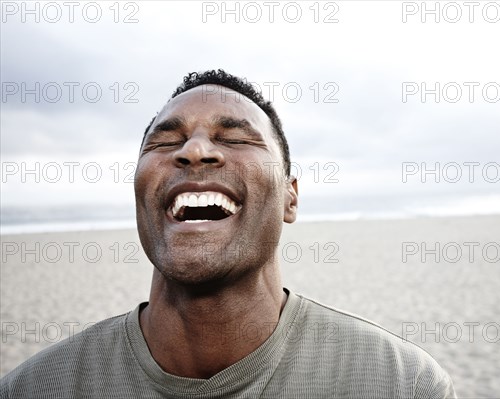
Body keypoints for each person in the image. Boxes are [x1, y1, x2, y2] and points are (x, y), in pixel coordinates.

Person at [0, 70, 456, 398]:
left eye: (235, 138)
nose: (194, 150)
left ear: (290, 198)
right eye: (164, 142)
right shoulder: (33, 389)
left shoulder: (400, 383)